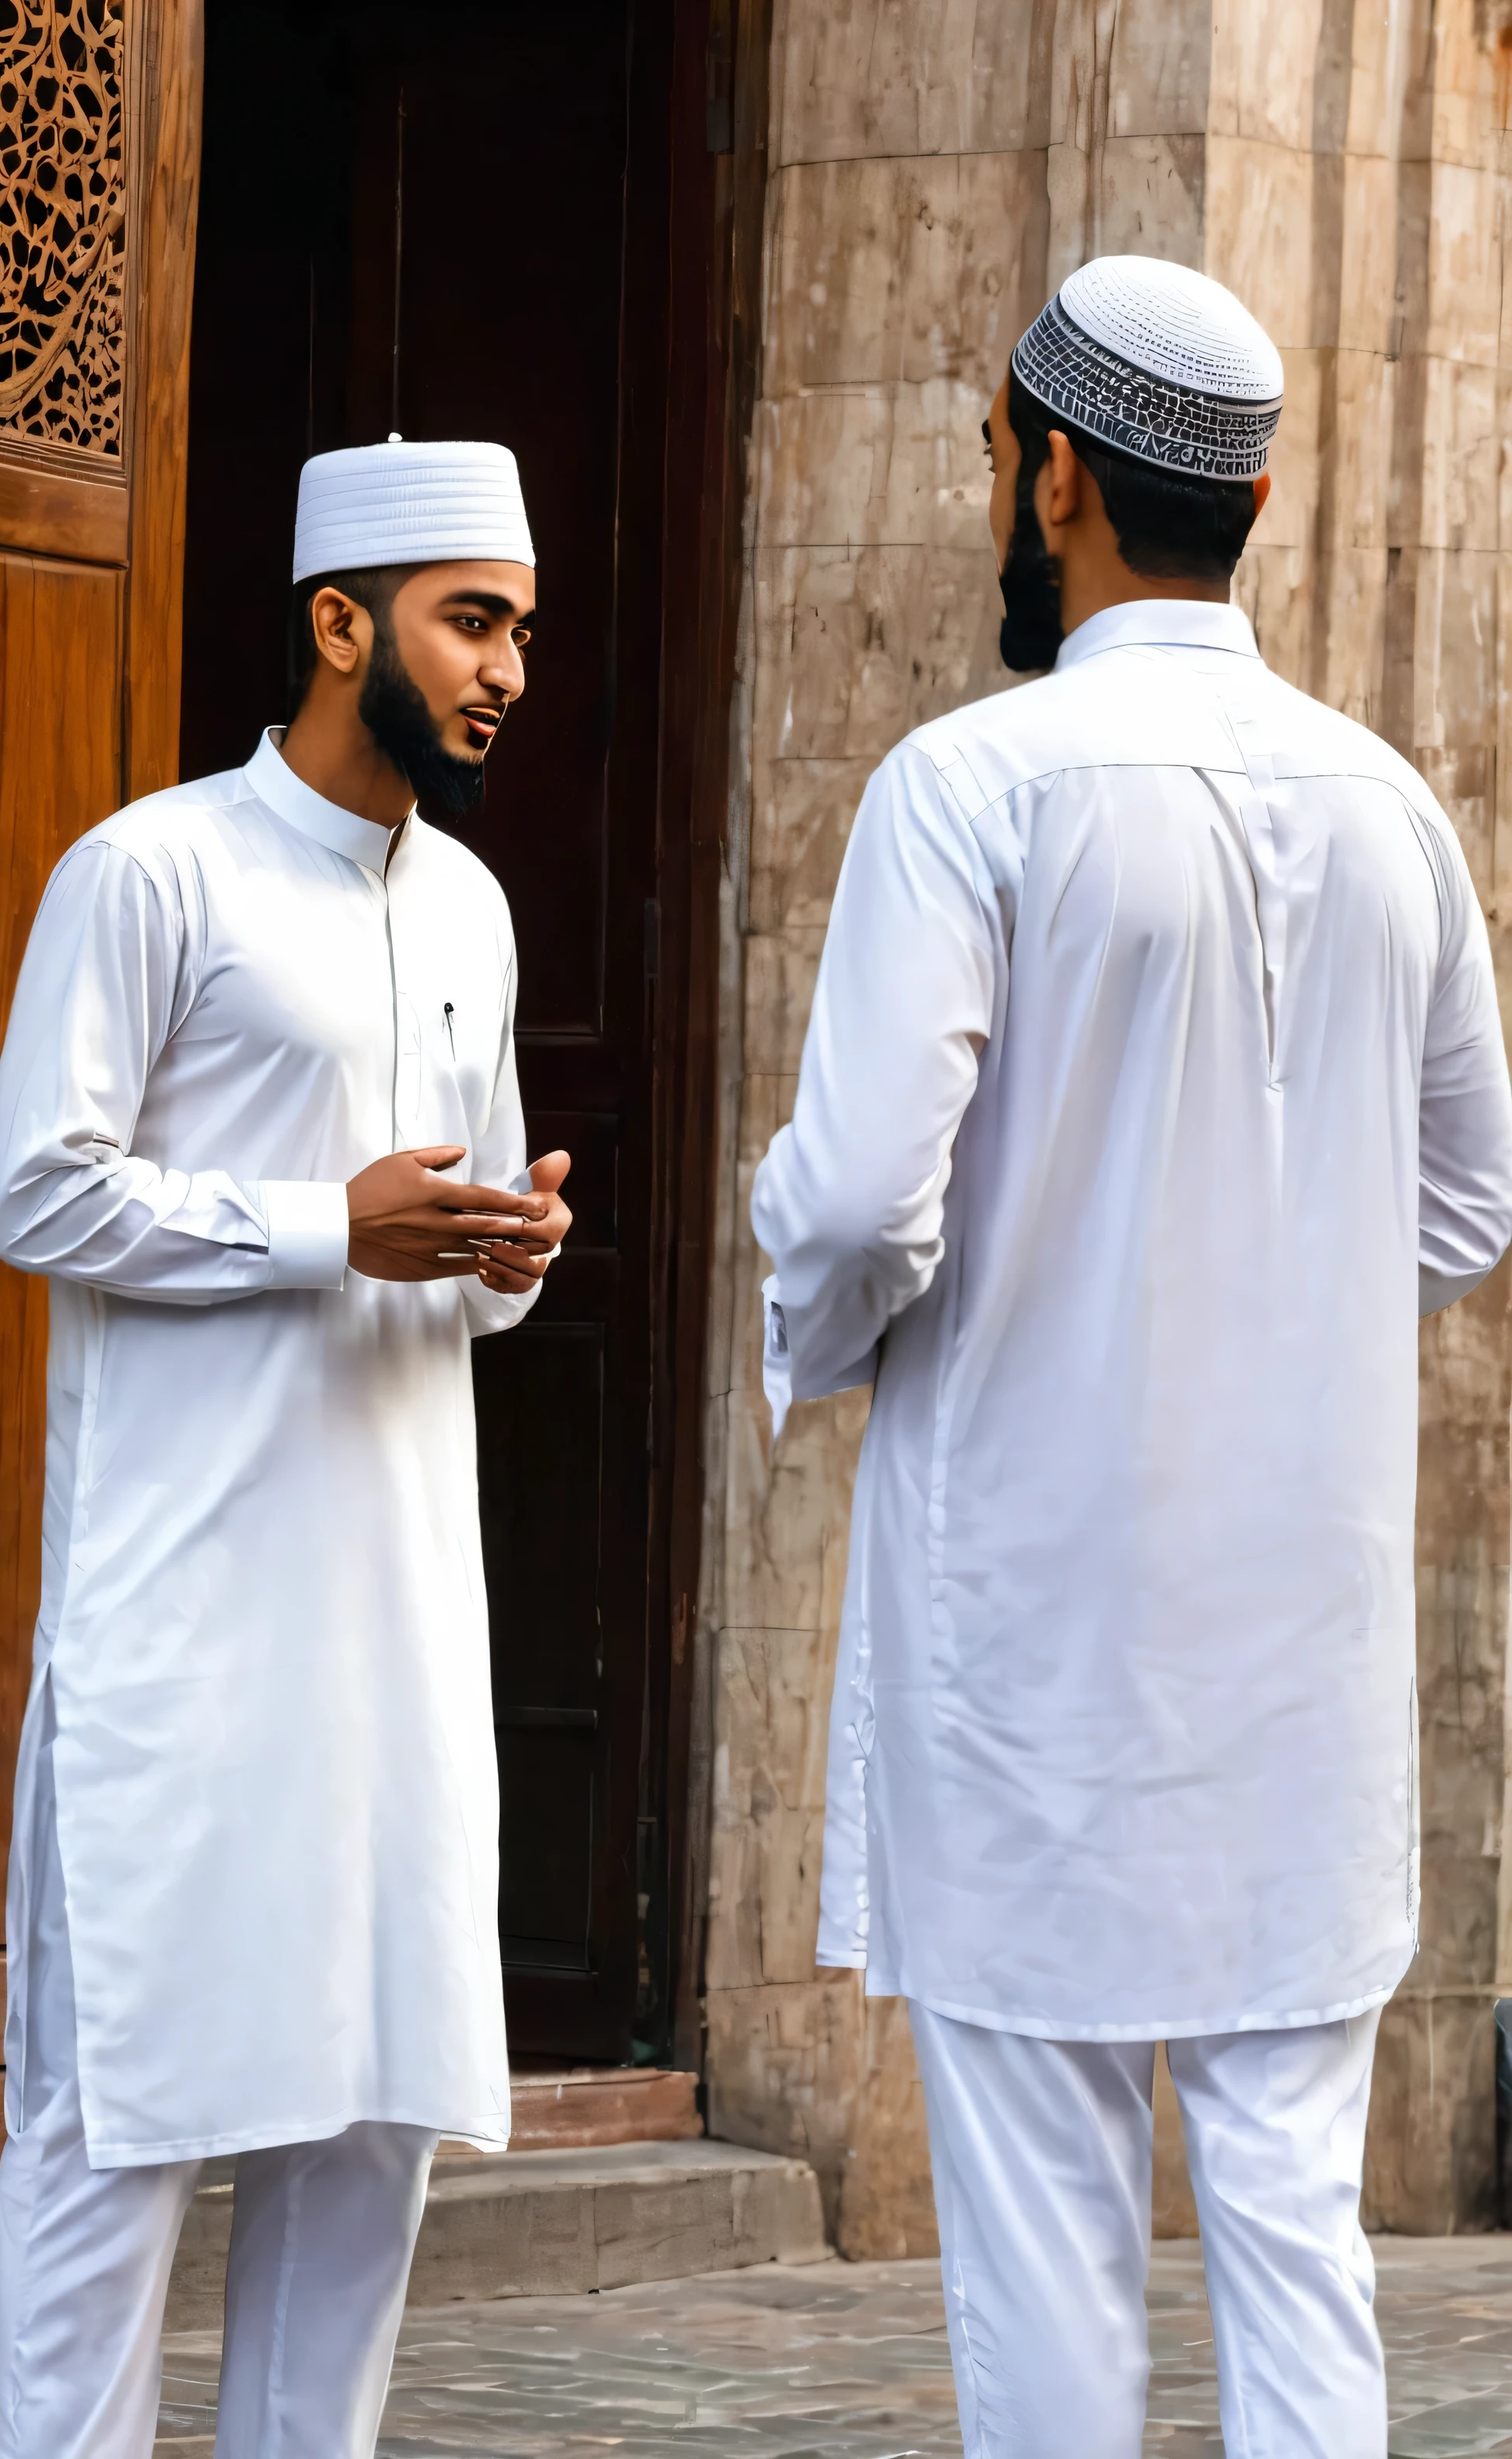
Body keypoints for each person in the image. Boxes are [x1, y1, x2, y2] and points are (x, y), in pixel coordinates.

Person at [751, 255, 1512, 2458]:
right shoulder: (1395, 809)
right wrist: (1269, 1303)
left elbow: (864, 1198)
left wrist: (817, 1318)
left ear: (1060, 477)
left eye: (999, 455)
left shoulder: (970, 789)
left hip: (1036, 1662)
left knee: (1046, 2260)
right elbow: (1464, 1196)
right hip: (1298, 1666)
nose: (1001, 489)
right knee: (1297, 2246)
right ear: (1255, 490)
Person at [0, 436, 570, 2459]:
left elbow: (463, 1266)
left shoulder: (476, 908)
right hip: (186, 1634)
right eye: (469, 621)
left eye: (519, 629)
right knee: (116, 2127)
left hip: (397, 1644)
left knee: (372, 2128)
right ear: (341, 623)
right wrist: (334, 1227)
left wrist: (507, 1248)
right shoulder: (152, 872)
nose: (506, 669)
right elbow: (34, 1195)